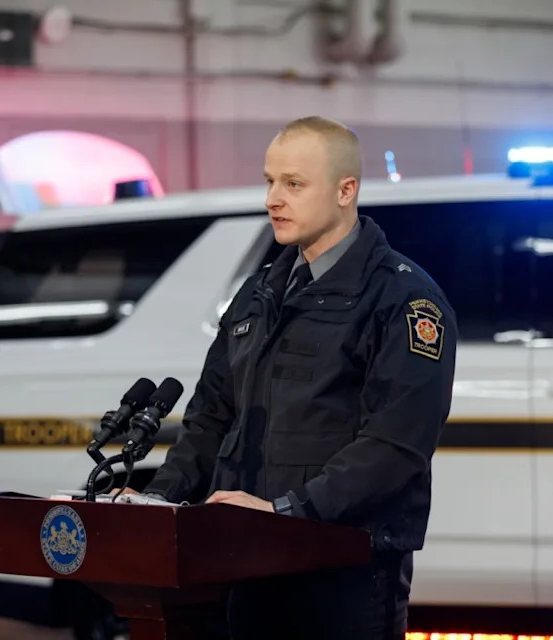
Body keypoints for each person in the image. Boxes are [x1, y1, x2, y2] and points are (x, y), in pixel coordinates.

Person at [139, 115, 457, 639]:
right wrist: (159, 500)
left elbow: (395, 445)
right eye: (269, 180)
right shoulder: (259, 292)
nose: (272, 199)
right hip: (241, 564)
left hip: (344, 575)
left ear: (345, 190)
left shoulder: (402, 300)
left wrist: (287, 511)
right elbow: (211, 417)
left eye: (293, 184)